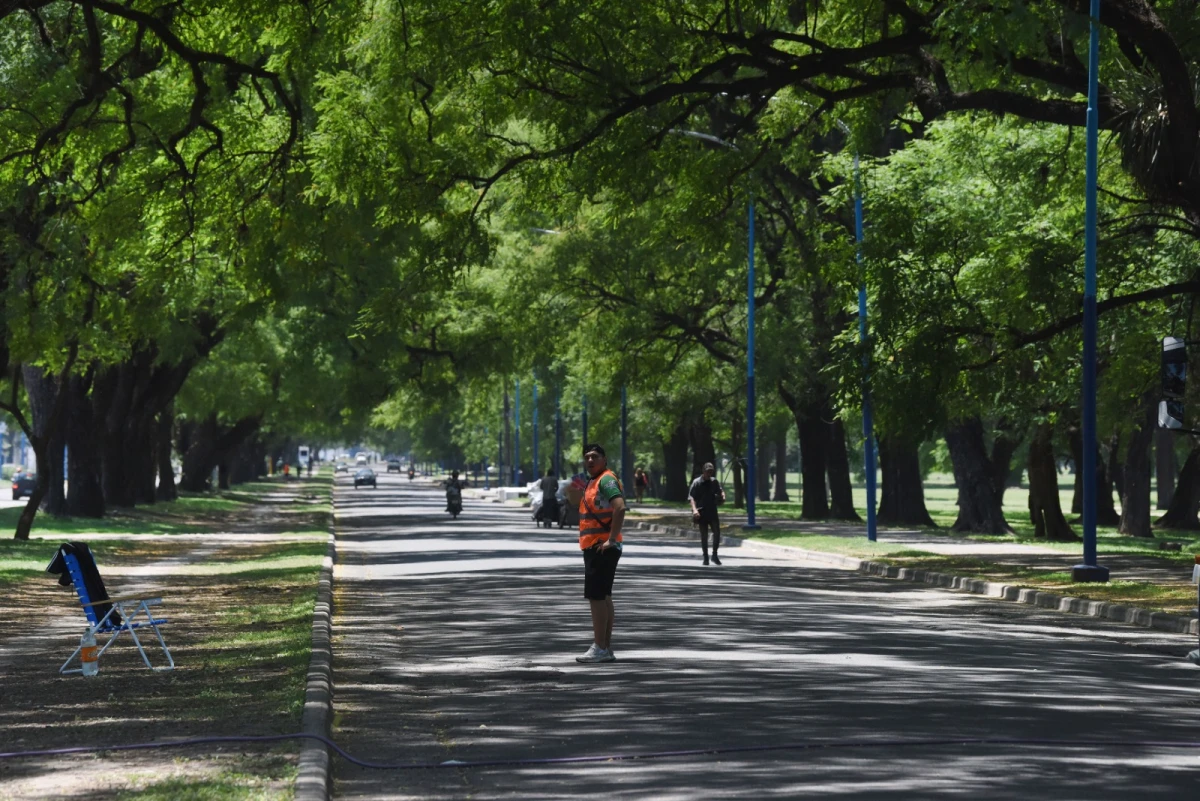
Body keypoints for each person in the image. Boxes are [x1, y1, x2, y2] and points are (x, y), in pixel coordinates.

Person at [575, 444, 625, 664]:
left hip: (601, 547)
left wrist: (611, 540)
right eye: (587, 457)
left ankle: (600, 647)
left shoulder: (605, 480)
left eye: (595, 456)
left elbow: (620, 507)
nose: (590, 460)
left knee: (596, 598)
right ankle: (605, 647)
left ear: (605, 459)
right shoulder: (594, 482)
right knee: (604, 597)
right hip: (596, 546)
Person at [689, 462, 726, 565]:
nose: (709, 473)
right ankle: (705, 557)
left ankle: (714, 555)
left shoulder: (714, 482)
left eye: (711, 471)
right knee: (704, 535)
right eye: (707, 471)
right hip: (701, 512)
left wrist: (722, 496)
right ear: (703, 471)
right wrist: (695, 510)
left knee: (717, 533)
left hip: (712, 511)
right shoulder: (696, 482)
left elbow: (720, 492)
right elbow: (691, 498)